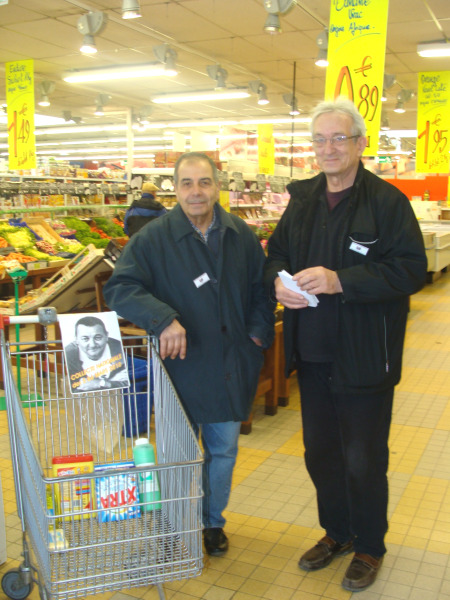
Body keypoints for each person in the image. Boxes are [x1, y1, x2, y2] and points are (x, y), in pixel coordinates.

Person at [264, 98, 427, 592]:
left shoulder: (386, 202)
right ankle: (336, 532)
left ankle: (369, 546)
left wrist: (341, 281)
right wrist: (277, 282)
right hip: (311, 354)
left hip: (363, 355)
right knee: (321, 452)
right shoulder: (304, 199)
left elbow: (409, 270)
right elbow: (277, 255)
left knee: (363, 456)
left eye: (339, 138)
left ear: (359, 144)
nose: (329, 148)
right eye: (320, 139)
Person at [104, 151, 274, 556]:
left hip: (231, 363)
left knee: (223, 451)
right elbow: (120, 288)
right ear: (174, 189)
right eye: (186, 183)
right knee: (179, 453)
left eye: (204, 183)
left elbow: (261, 290)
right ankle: (178, 521)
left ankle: (212, 522)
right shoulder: (153, 238)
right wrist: (163, 318)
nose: (196, 192)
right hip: (179, 364)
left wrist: (256, 332)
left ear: (217, 186)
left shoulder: (240, 235)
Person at [65, 315, 128, 392]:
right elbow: (75, 388)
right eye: (85, 339)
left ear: (106, 336)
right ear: (76, 339)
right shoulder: (69, 354)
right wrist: (111, 382)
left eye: (98, 337)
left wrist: (101, 383)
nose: (92, 344)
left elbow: (127, 382)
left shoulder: (118, 348)